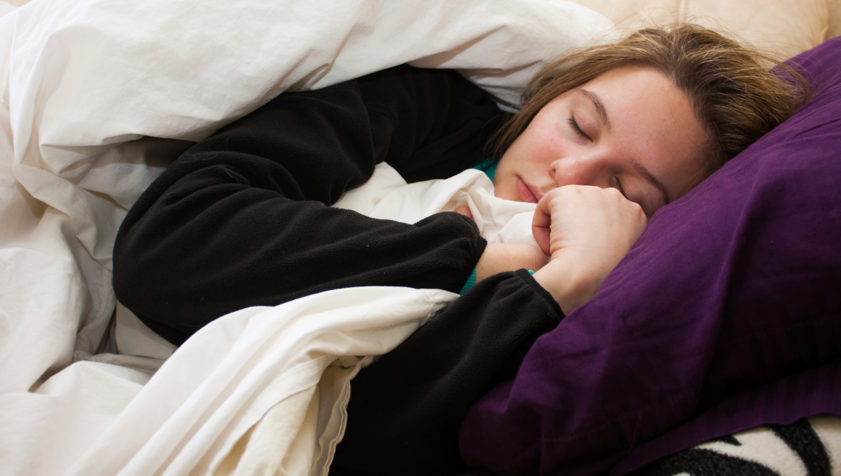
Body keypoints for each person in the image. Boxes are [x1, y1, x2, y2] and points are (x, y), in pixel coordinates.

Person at [111, 23, 806, 475]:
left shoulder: (601, 306)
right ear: (545, 99)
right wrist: (480, 260)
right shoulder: (422, 110)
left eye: (624, 187)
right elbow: (169, 240)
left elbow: (371, 437)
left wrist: (556, 291)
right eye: (577, 124)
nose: (569, 172)